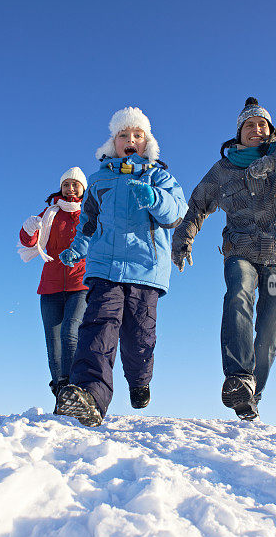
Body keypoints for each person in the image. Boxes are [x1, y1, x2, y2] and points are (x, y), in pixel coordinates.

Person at [171, 96, 276, 421]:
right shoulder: (223, 169)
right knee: (238, 293)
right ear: (239, 133)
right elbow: (198, 204)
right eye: (250, 125)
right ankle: (237, 377)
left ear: (270, 130)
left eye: (262, 124)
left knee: (269, 336)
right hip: (241, 249)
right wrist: (183, 239)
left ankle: (249, 397)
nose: (256, 129)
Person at [56, 107, 188, 427]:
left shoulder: (159, 175)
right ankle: (90, 396)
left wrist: (155, 197)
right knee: (98, 327)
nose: (130, 140)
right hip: (105, 267)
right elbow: (88, 223)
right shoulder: (100, 180)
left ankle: (140, 380)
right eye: (123, 135)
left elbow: (176, 213)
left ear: (147, 142)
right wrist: (77, 249)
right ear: (113, 142)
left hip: (145, 269)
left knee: (139, 336)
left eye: (137, 135)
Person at [18, 167, 88, 406]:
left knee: (70, 332)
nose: (70, 188)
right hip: (50, 285)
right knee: (53, 340)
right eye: (66, 184)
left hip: (80, 283)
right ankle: (59, 390)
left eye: (75, 185)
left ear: (83, 188)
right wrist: (28, 229)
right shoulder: (50, 213)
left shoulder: (89, 213)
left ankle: (72, 387)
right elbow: (29, 241)